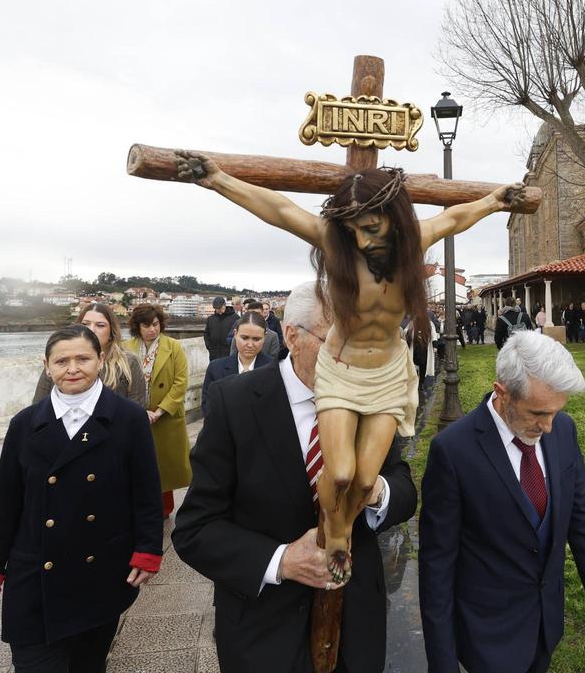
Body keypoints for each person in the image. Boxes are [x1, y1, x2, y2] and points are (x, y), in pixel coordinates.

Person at [176, 153, 523, 582]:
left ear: (392, 218)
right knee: (338, 472)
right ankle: (335, 532)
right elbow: (280, 210)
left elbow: (456, 218)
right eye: (353, 230)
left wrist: (496, 200)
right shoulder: (336, 243)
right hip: (341, 370)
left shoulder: (415, 241)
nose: (360, 240)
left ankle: (344, 527)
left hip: (389, 374)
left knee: (363, 482)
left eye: (371, 228)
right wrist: (218, 179)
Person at [172, 283, 418, 673]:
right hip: (264, 632)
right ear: (292, 336)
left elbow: (403, 488)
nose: (352, 357)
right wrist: (282, 561)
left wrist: (377, 492)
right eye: (337, 341)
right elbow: (195, 528)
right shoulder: (232, 402)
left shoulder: (370, 403)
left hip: (357, 627)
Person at [419, 332, 585, 673]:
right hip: (487, 637)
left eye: (556, 412)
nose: (547, 426)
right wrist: (442, 664)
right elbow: (437, 568)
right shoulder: (453, 451)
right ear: (502, 393)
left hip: (545, 628)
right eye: (537, 413)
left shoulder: (563, 431)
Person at [0, 325, 163, 673]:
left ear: (101, 360)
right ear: (47, 367)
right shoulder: (25, 424)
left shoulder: (128, 418)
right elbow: (4, 503)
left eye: (82, 358)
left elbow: (146, 492)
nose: (72, 368)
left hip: (100, 571)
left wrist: (148, 549)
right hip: (34, 575)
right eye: (61, 361)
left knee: (87, 665)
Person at [124, 304, 192, 519]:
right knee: (138, 464)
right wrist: (140, 412)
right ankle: (139, 505)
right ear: (137, 327)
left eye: (155, 324)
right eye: (146, 325)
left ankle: (164, 508)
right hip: (136, 415)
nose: (152, 329)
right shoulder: (126, 348)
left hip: (165, 417)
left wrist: (160, 411)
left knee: (164, 466)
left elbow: (180, 383)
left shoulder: (173, 347)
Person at [31, 302, 145, 407]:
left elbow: (137, 408)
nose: (91, 329)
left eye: (100, 325)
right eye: (85, 324)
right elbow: (37, 405)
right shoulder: (58, 362)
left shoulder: (129, 362)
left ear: (111, 332)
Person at [202, 310, 275, 395]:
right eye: (244, 338)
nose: (250, 345)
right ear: (235, 334)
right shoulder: (215, 369)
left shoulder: (275, 370)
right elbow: (208, 405)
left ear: (264, 337)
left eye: (256, 339)